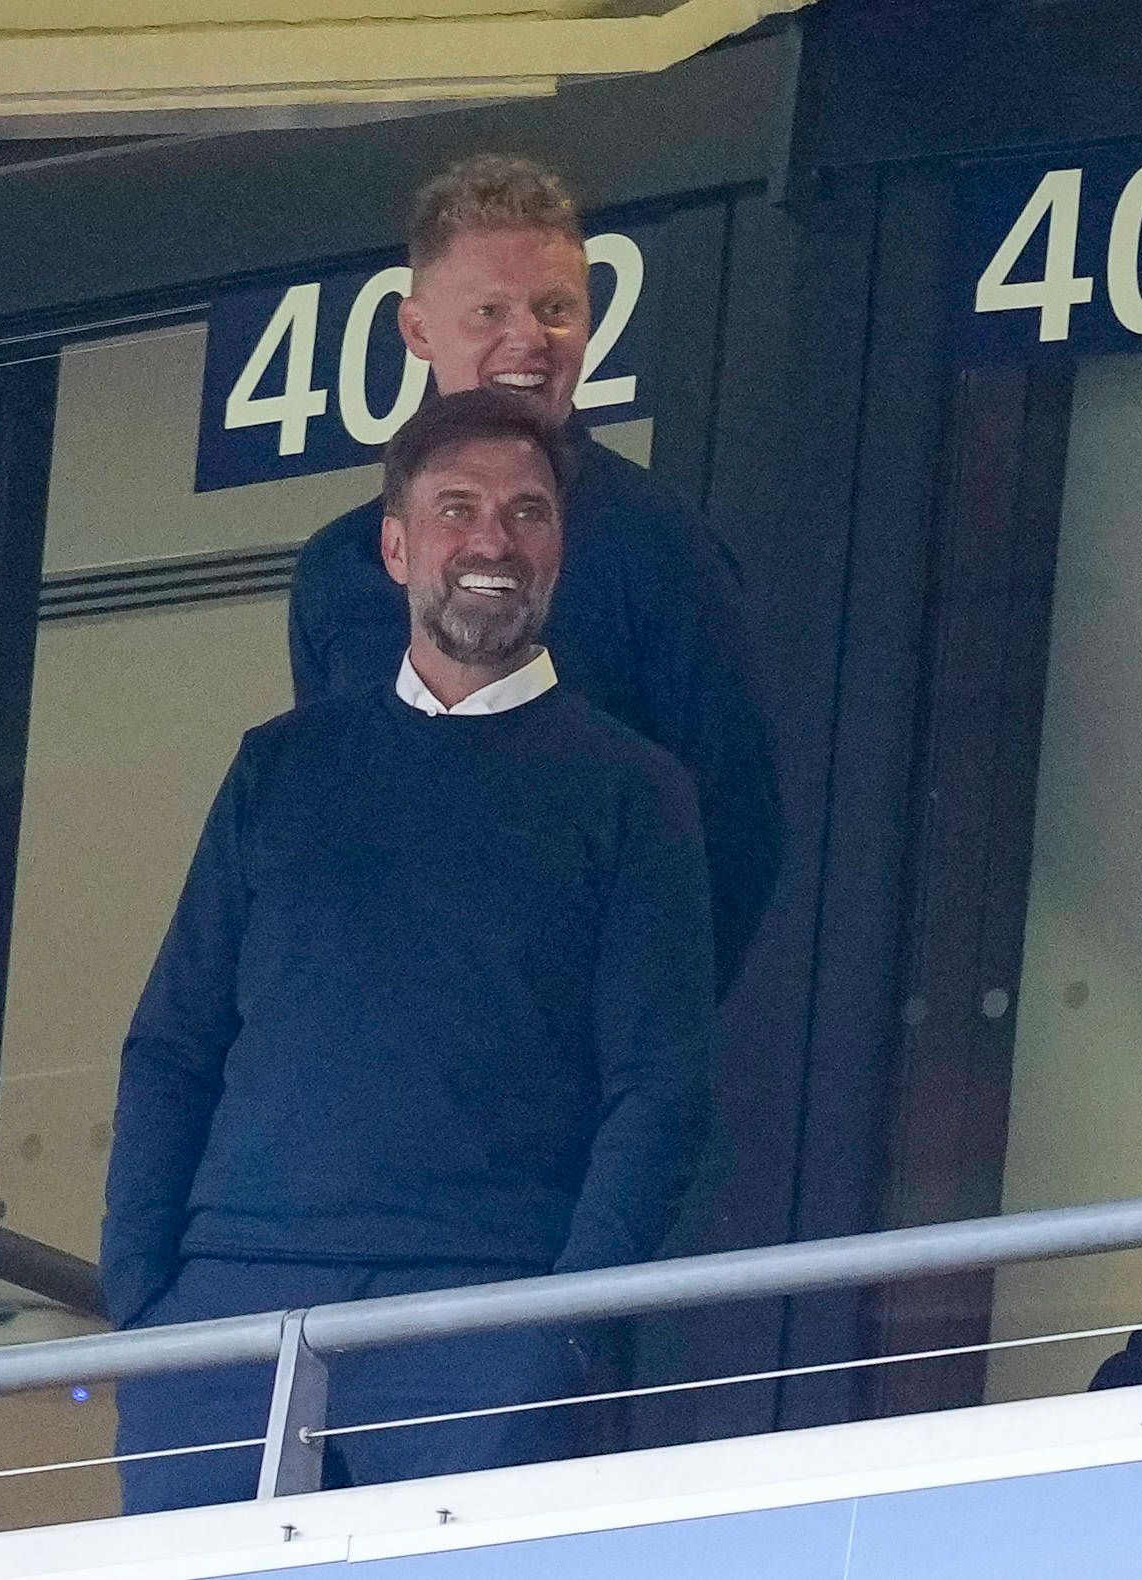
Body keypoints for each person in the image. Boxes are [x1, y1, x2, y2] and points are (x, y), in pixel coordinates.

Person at [103, 389, 715, 1511]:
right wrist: (143, 1301)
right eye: (457, 508)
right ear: (395, 545)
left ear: (559, 551)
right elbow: (172, 1043)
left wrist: (556, 1320)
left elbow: (661, 1088)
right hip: (226, 1315)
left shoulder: (637, 790)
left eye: (529, 513)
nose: (493, 540)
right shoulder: (280, 767)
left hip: (481, 1312)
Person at [287, 153, 780, 1000]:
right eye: (489, 311)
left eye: (557, 309)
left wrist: (639, 1043)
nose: (529, 340)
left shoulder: (664, 551)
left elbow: (738, 833)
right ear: (416, 330)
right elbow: (326, 827)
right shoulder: (338, 569)